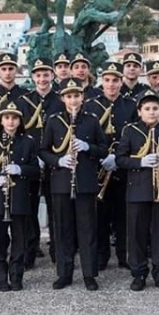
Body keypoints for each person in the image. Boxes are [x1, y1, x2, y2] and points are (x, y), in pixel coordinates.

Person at [39, 78, 107, 291]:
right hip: (61, 182)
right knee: (62, 230)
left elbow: (103, 149)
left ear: (82, 97)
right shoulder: (53, 120)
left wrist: (87, 146)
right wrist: (58, 161)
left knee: (87, 230)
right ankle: (64, 273)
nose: (73, 100)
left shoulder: (92, 120)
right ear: (63, 98)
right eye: (69, 96)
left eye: (77, 95)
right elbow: (43, 151)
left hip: (85, 182)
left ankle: (89, 274)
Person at [116, 91, 159, 292]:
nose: (151, 112)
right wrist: (140, 161)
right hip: (137, 191)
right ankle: (138, 274)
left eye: (155, 109)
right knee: (136, 234)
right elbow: (120, 159)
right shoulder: (130, 131)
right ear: (139, 112)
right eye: (147, 109)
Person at [0, 102, 41, 291]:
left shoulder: (28, 141)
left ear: (20, 121)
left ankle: (16, 276)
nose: (11, 121)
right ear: (1, 120)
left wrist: (20, 169)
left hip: (20, 198)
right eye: (7, 117)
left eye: (14, 118)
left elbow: (36, 170)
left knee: (19, 239)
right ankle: (0, 275)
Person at [83, 61, 137, 270]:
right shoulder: (90, 105)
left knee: (124, 214)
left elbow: (136, 136)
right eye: (107, 80)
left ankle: (125, 255)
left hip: (123, 167)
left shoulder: (131, 106)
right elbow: (87, 135)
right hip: (98, 167)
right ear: (101, 82)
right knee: (100, 215)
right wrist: (100, 157)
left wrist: (119, 156)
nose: (112, 84)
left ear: (121, 82)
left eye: (115, 80)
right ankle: (101, 255)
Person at [18, 57, 65, 266]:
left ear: (52, 76)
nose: (42, 78)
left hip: (54, 161)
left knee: (56, 210)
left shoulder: (61, 100)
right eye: (38, 75)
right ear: (33, 77)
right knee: (29, 210)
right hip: (30, 162)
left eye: (46, 74)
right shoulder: (23, 100)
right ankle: (30, 251)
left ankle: (58, 252)